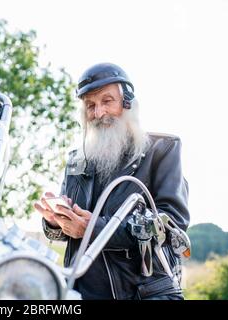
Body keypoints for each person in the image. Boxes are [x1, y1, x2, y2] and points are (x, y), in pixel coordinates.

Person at [34, 63, 190, 300]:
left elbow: (172, 224)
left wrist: (93, 229)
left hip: (143, 294)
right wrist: (56, 222)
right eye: (91, 106)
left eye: (107, 101)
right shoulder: (77, 160)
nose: (99, 113)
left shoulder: (163, 149)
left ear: (127, 103)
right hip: (81, 292)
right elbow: (67, 234)